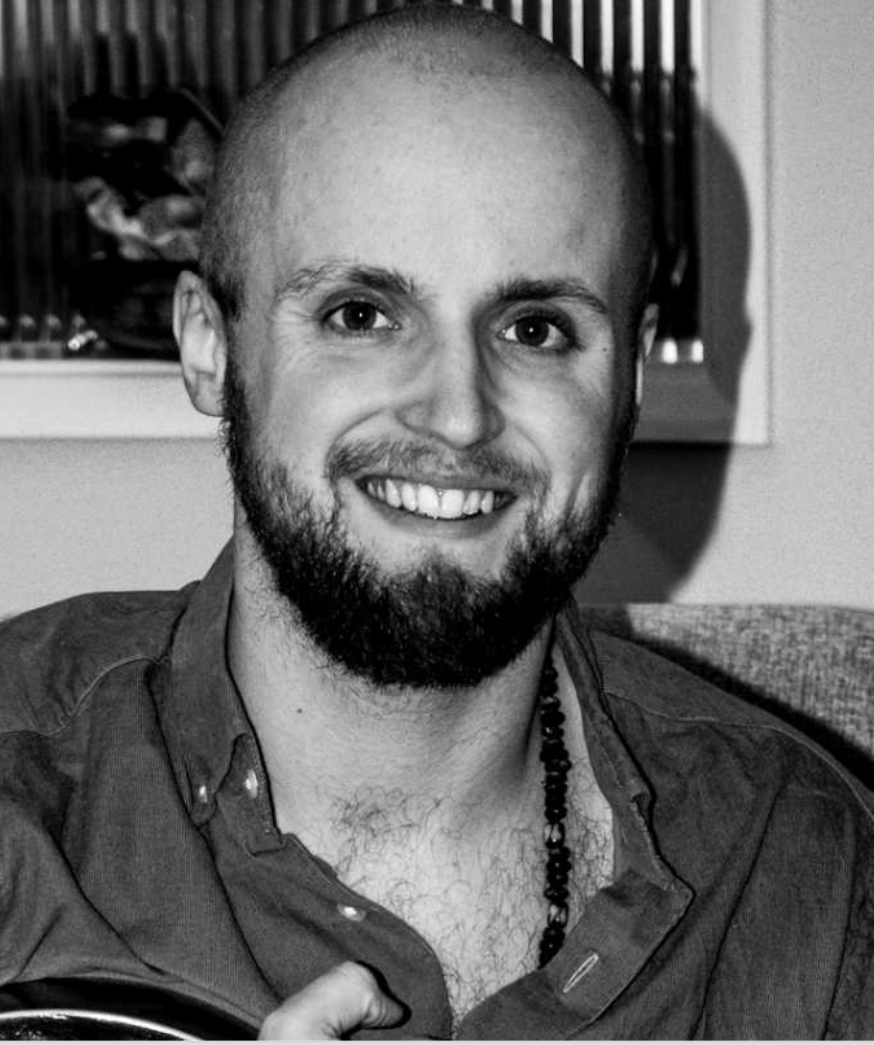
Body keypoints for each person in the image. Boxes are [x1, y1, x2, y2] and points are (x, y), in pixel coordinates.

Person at [1, 3, 872, 1039]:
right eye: (361, 315)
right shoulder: (21, 801)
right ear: (209, 347)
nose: (458, 413)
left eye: (535, 328)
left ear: (631, 376)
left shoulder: (805, 861)